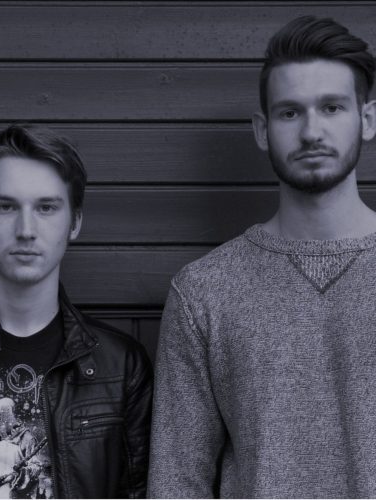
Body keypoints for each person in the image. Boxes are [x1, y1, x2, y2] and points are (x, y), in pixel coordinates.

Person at [150, 16, 376, 497]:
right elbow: (177, 481)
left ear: (368, 119)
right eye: (290, 112)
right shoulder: (203, 292)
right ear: (262, 129)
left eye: (332, 107)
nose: (312, 131)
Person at [0, 124, 152, 499]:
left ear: (75, 222)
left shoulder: (122, 366)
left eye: (46, 208)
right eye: (6, 207)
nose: (26, 230)